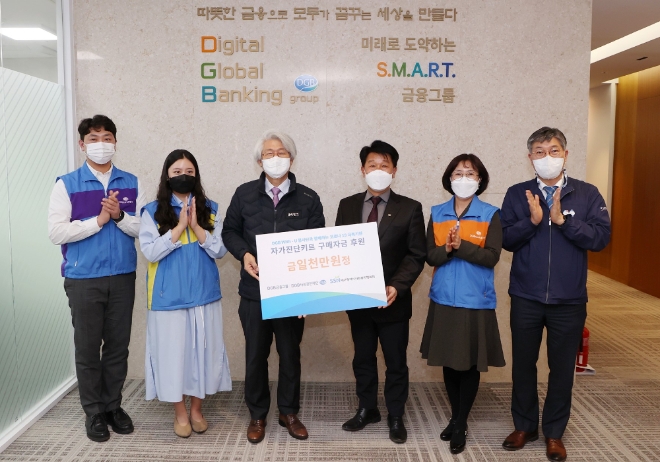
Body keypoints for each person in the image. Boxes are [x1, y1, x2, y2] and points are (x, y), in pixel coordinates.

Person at [500, 127, 611, 461]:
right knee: (523, 365)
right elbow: (506, 239)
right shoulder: (517, 193)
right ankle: (524, 426)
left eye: (553, 150)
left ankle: (554, 433)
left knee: (562, 369)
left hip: (569, 299)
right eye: (539, 151)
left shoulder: (587, 194)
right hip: (526, 296)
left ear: (565, 154)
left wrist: (564, 221)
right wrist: (532, 221)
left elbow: (601, 239)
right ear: (529, 157)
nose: (546, 157)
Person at [221, 129, 325, 443]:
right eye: (269, 153)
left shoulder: (309, 198)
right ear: (259, 161)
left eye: (281, 152)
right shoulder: (244, 194)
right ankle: (257, 415)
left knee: (290, 355)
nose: (275, 158)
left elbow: (317, 246)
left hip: (293, 294)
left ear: (291, 159)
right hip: (254, 292)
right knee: (255, 355)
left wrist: (308, 295)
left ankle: (288, 412)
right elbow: (229, 231)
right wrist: (244, 254)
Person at [48, 115, 145, 442]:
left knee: (118, 347)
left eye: (107, 138)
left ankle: (112, 406)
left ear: (115, 142)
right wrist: (98, 221)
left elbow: (143, 229)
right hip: (83, 279)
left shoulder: (131, 182)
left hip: (122, 277)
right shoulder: (67, 184)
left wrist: (118, 216)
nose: (101, 144)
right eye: (93, 138)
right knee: (88, 349)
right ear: (82, 144)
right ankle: (93, 412)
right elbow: (56, 232)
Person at [336, 140, 426, 444]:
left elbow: (416, 254)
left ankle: (396, 415)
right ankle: (367, 408)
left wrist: (396, 286)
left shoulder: (410, 208)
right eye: (372, 165)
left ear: (394, 171)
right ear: (362, 170)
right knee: (362, 357)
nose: (378, 170)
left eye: (384, 165)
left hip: (393, 301)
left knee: (395, 361)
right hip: (358, 299)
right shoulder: (347, 205)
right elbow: (339, 250)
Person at [139, 149, 231, 438]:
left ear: (196, 175)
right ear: (167, 176)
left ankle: (196, 410)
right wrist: (179, 227)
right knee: (173, 357)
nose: (183, 176)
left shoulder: (211, 208)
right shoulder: (152, 211)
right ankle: (180, 412)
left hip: (204, 294)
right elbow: (150, 252)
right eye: (177, 172)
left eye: (189, 172)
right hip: (167, 297)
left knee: (203, 353)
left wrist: (196, 226)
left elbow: (220, 249)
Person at [420, 153, 505, 454]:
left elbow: (492, 257)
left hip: (475, 301)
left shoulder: (490, 214)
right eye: (458, 173)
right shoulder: (438, 213)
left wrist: (461, 246)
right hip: (443, 298)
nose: (464, 178)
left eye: (470, 173)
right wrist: (447, 248)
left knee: (468, 364)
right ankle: (456, 417)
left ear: (480, 180)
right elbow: (430, 255)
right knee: (448, 361)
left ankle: (460, 422)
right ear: (449, 179)